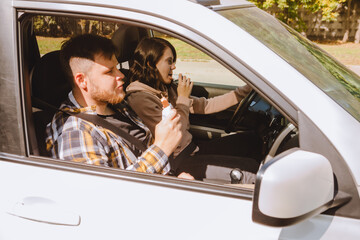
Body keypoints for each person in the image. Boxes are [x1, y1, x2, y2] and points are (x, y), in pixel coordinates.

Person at [45, 34, 193, 179]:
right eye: (110, 71)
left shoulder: (116, 104)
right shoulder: (75, 133)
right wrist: (161, 149)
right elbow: (106, 194)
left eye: (117, 67)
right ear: (82, 80)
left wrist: (171, 177)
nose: (121, 75)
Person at [126, 37, 252, 158]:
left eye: (174, 61)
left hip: (191, 148)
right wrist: (183, 99)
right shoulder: (140, 99)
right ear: (151, 64)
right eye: (169, 61)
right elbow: (175, 134)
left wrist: (247, 89)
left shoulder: (166, 88)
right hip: (178, 159)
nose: (174, 66)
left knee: (250, 140)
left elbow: (206, 105)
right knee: (249, 170)